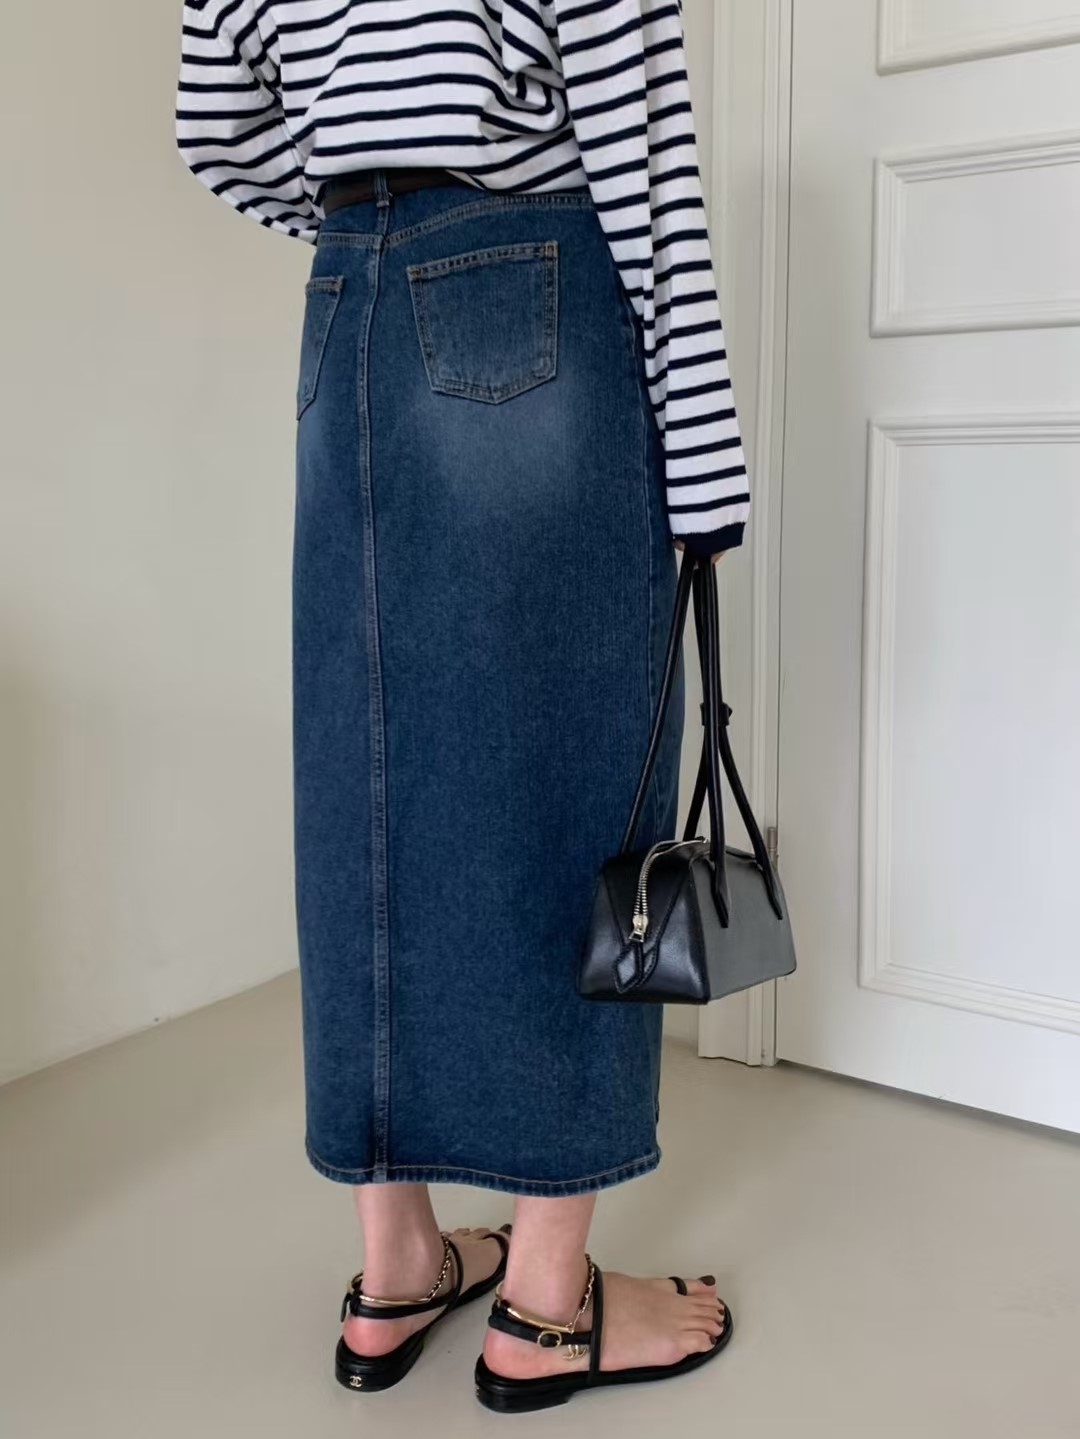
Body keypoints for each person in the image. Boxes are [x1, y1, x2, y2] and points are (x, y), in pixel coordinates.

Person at [174, 0, 747, 1411]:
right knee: (574, 775)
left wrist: (367, 201)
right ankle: (547, 1304)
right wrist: (707, 463)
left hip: (346, 307)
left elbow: (216, 120)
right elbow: (639, 143)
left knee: (364, 773)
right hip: (530, 277)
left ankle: (397, 1266)